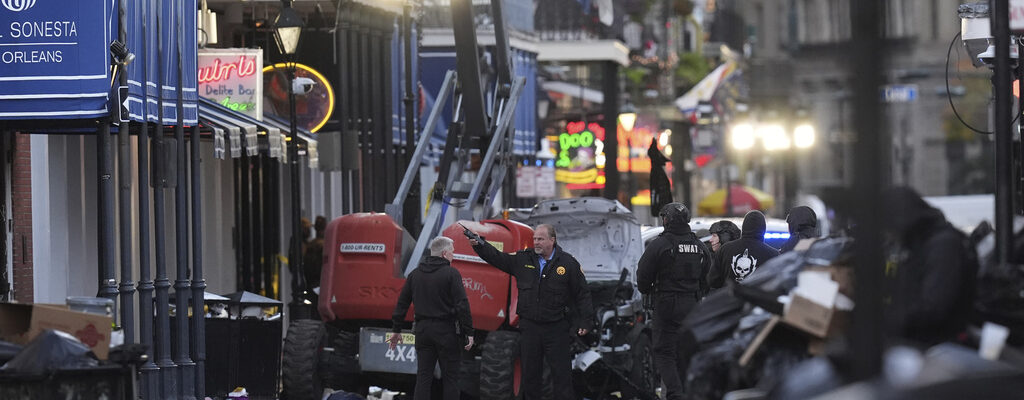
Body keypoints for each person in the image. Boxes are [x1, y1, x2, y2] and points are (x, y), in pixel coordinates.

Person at [467, 224, 593, 400]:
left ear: (552, 240)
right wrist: (479, 245)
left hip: (556, 329)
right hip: (530, 328)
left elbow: (582, 294)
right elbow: (497, 257)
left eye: (540, 239)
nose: (536, 242)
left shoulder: (568, 263)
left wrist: (586, 321)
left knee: (561, 377)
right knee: (530, 377)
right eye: (535, 239)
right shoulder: (523, 259)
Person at [881, 187, 977, 346]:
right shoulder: (921, 244)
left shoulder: (943, 246)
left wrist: (886, 318)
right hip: (923, 339)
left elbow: (932, 307)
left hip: (938, 342)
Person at [637, 203, 713, 400]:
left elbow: (643, 277)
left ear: (667, 220)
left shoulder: (660, 244)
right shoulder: (699, 246)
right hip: (692, 305)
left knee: (664, 352)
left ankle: (675, 394)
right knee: (686, 351)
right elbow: (707, 276)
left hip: (666, 305)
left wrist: (648, 290)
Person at [388, 237, 474, 400]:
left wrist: (396, 330)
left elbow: (402, 303)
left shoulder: (415, 275)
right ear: (444, 253)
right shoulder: (451, 274)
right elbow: (462, 304)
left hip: (423, 332)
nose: (453, 254)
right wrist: (469, 331)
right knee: (451, 379)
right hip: (446, 332)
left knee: (423, 377)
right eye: (452, 251)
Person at [708, 210, 780, 290]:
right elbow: (777, 284)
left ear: (744, 227)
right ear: (763, 230)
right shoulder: (773, 255)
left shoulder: (725, 249)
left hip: (729, 296)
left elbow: (713, 281)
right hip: (757, 297)